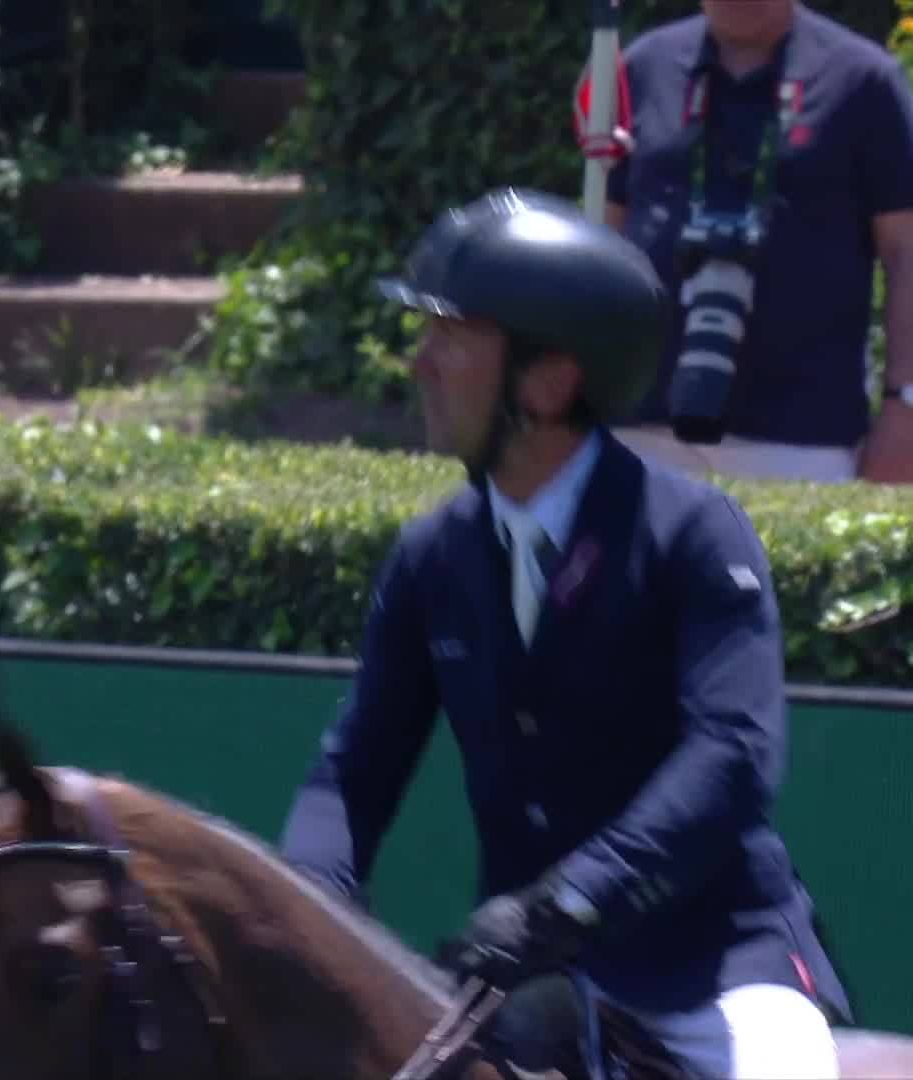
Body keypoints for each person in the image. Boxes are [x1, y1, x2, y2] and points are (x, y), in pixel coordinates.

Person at [277, 188, 850, 1079]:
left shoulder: (692, 533)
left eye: (451, 335)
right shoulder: (434, 554)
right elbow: (354, 770)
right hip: (518, 983)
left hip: (710, 979)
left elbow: (731, 758)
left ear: (547, 382)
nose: (420, 363)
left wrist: (568, 903)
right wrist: (301, 909)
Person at [599, 0, 913, 484]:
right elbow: (605, 237)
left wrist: (904, 406)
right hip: (640, 425)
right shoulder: (645, 67)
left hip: (800, 439)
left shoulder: (861, 80)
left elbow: (905, 254)